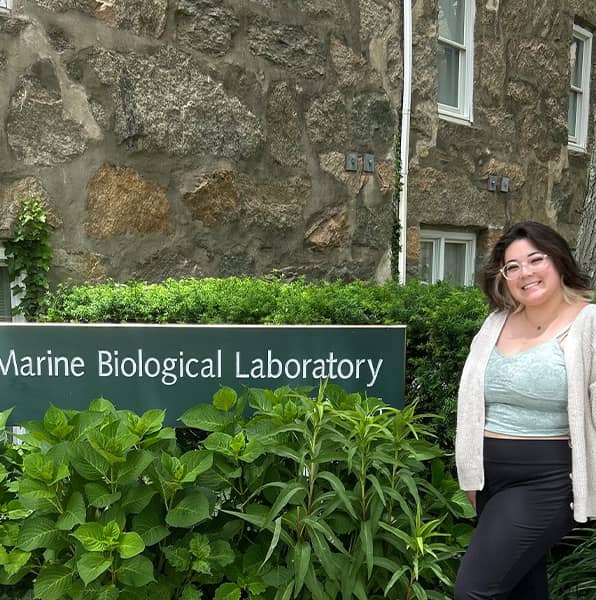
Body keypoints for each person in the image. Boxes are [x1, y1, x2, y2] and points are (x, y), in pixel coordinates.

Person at [454, 221, 596, 599]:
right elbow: (472, 401)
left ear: (559, 261)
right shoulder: (496, 321)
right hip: (489, 480)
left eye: (536, 259)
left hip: (545, 481)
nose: (524, 273)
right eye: (512, 266)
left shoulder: (589, 323)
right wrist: (471, 471)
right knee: (521, 589)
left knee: (473, 591)